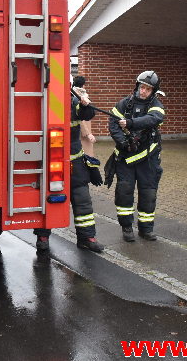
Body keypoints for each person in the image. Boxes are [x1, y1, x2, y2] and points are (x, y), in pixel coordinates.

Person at [33, 78, 105, 253]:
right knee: (47, 199)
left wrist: (86, 104)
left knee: (82, 200)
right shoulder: (42, 98)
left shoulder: (73, 99)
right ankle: (43, 237)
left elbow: (86, 114)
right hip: (49, 162)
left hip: (74, 161)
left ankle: (86, 237)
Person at [108, 71, 165, 242]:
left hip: (148, 159)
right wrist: (123, 142)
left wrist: (131, 123)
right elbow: (113, 123)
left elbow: (154, 119)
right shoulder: (124, 104)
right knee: (124, 192)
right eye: (142, 87)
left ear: (153, 91)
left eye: (148, 89)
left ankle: (146, 229)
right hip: (125, 158)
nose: (143, 91)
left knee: (148, 193)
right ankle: (126, 228)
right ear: (137, 86)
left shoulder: (156, 105)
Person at [73, 76, 96, 157]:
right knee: (86, 156)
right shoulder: (80, 97)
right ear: (83, 85)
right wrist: (88, 133)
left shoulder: (75, 95)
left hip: (80, 133)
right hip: (82, 134)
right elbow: (80, 118)